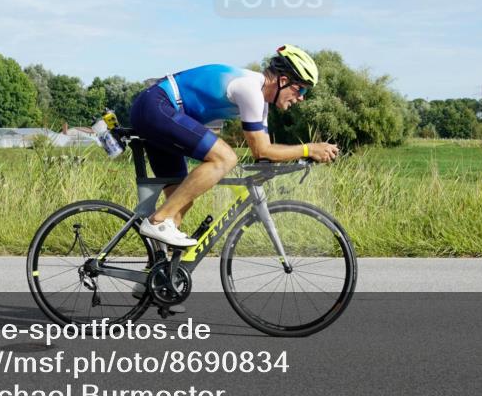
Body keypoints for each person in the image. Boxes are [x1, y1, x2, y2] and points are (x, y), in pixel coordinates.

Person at [128, 45, 339, 247]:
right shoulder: (250, 89)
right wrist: (309, 149)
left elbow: (264, 153)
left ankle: (156, 274)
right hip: (157, 106)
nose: (301, 98)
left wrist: (300, 158)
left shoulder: (260, 100)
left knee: (180, 202)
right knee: (225, 158)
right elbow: (262, 150)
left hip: (162, 112)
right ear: (283, 81)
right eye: (301, 89)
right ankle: (156, 221)